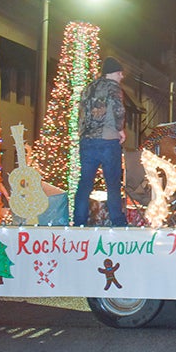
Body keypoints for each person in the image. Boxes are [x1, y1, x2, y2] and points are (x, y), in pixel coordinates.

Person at [73, 56, 127, 227]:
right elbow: (119, 110)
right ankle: (117, 221)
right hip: (108, 140)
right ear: (115, 73)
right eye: (121, 74)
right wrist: (120, 130)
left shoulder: (88, 88)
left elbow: (81, 112)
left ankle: (79, 221)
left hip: (87, 141)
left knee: (85, 182)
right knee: (112, 184)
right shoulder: (114, 88)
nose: (122, 77)